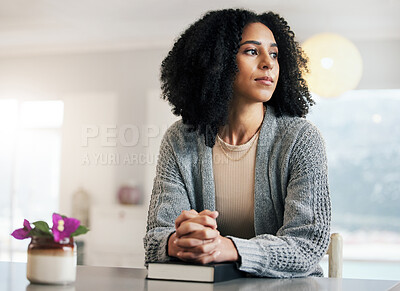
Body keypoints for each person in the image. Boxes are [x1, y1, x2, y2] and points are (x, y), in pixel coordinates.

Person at [144, 8, 331, 278]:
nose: (268, 63)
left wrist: (227, 248)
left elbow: (307, 245)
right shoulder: (180, 139)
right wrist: (179, 243)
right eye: (252, 51)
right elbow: (155, 242)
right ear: (217, 61)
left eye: (275, 54)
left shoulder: (301, 139)